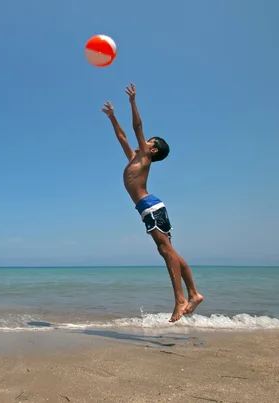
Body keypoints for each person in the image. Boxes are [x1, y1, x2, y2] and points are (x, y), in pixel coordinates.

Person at [101, 83, 204, 322]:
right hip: (149, 208)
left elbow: (136, 127)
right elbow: (122, 136)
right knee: (168, 250)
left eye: (148, 141)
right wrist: (112, 117)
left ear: (154, 150)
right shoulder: (135, 158)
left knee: (165, 250)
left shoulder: (145, 157)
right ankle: (194, 293)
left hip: (150, 207)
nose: (142, 141)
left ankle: (180, 299)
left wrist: (132, 103)